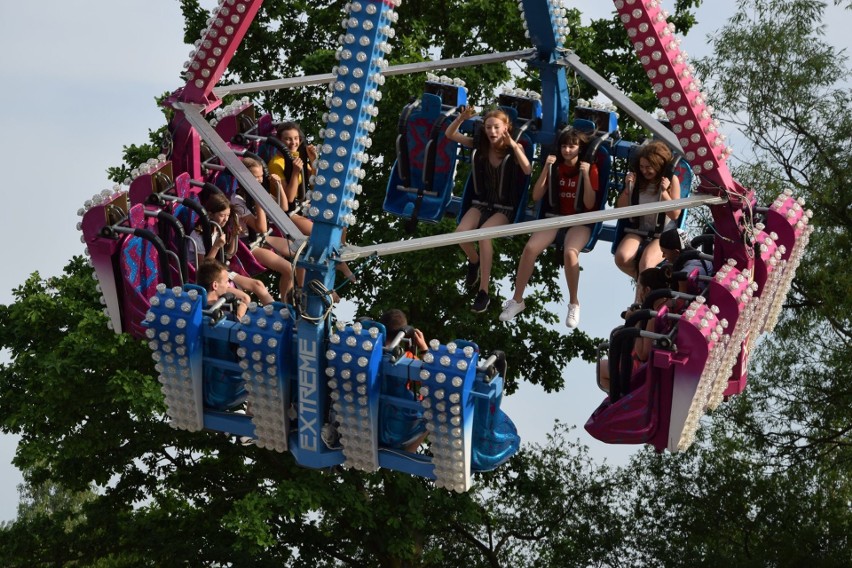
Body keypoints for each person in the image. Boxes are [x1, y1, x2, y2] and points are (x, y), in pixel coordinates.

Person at [499, 127, 599, 328]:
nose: (567, 151)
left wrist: (586, 175)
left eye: (572, 146)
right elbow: (536, 196)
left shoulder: (590, 168)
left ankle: (573, 303)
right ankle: (517, 300)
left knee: (570, 252)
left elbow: (589, 203)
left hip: (580, 220)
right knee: (529, 248)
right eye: (564, 146)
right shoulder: (556, 167)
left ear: (579, 148)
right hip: (556, 216)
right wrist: (546, 168)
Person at [445, 106, 532, 313]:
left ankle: (483, 291)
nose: (492, 132)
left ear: (506, 128)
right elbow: (450, 135)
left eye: (496, 127)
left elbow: (527, 169)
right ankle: (474, 261)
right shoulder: (480, 144)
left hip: (505, 208)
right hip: (481, 202)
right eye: (488, 127)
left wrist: (514, 145)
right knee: (459, 234)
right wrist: (461, 118)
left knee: (484, 236)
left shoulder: (513, 148)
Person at [613, 141, 682, 288]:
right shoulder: (637, 180)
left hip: (662, 232)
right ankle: (648, 283)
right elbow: (620, 209)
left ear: (658, 166)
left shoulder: (671, 181)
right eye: (642, 167)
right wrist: (627, 189)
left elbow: (675, 214)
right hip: (638, 228)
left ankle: (641, 300)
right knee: (622, 257)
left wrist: (664, 193)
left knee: (646, 263)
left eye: (649, 167)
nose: (645, 171)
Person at [189, 191, 275, 306]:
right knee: (245, 298)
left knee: (258, 285)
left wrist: (234, 235)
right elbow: (203, 270)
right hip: (209, 278)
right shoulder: (197, 235)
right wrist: (216, 247)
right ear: (210, 215)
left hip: (220, 270)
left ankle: (276, 313)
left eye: (228, 215)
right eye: (222, 215)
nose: (225, 219)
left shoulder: (219, 228)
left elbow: (229, 254)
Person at [229, 158, 296, 300]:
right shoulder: (237, 200)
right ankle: (285, 304)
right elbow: (261, 228)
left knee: (300, 250)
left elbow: (282, 208)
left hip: (260, 239)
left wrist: (278, 186)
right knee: (289, 269)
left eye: (260, 176)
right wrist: (259, 200)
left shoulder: (258, 190)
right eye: (255, 177)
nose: (259, 181)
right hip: (247, 245)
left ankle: (299, 293)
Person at [597, 267, 673, 393]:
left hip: (644, 370)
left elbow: (643, 354)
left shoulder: (655, 318)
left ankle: (620, 400)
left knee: (601, 367)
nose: (638, 293)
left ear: (647, 290)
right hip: (656, 366)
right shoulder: (669, 305)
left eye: (639, 288)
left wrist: (636, 321)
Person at [379, 309, 429, 452]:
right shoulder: (406, 358)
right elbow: (433, 379)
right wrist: (423, 348)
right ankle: (406, 453)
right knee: (433, 414)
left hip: (369, 415)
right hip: (396, 425)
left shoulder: (369, 352)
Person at [267, 121, 318, 235]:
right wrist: (295, 172)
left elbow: (314, 185)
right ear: (279, 141)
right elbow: (289, 198)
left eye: (296, 138)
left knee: (337, 223)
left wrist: (313, 160)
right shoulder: (275, 164)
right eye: (288, 139)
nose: (293, 142)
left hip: (301, 204)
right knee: (318, 233)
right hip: (287, 211)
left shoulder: (296, 157)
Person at [659, 228, 713, 293]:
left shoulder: (684, 275)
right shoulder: (703, 256)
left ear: (676, 252)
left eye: (664, 252)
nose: (663, 256)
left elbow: (680, 302)